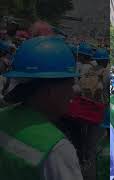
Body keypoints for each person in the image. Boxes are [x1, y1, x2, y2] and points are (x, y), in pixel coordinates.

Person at [0, 36, 83, 180]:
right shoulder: (57, 150)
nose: (72, 93)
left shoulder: (3, 116)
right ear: (50, 91)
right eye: (70, 85)